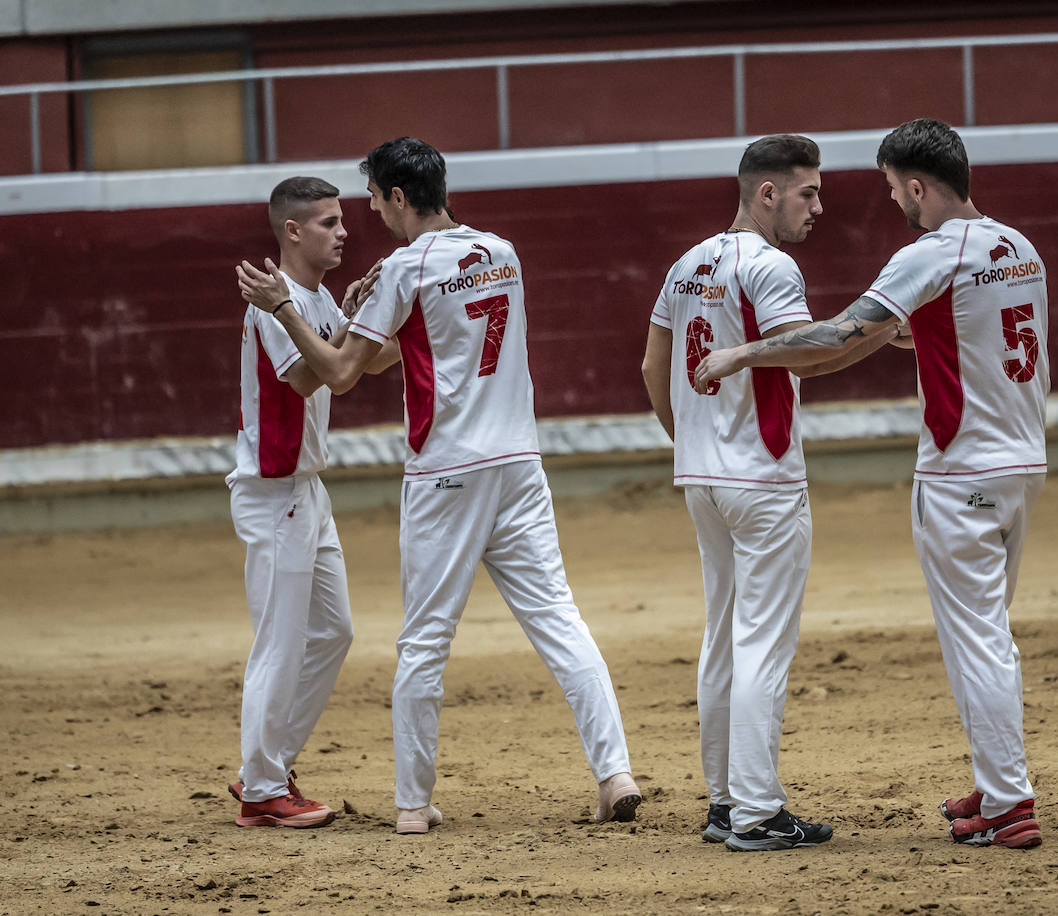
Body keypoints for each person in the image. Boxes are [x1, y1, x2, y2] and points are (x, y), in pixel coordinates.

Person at [236, 137, 641, 836]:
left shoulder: (405, 266)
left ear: (399, 196)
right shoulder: (503, 252)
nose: (367, 218)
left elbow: (338, 372)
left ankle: (412, 804)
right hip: (518, 462)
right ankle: (615, 775)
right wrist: (363, 313)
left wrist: (288, 309)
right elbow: (416, 344)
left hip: (446, 472)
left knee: (424, 642)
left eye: (371, 202)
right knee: (559, 619)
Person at [694, 118, 1050, 850]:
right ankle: (995, 780)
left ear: (918, 185)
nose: (896, 204)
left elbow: (839, 336)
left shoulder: (928, 254)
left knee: (978, 639)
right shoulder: (1018, 247)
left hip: (962, 472)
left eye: (894, 191)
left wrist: (744, 353)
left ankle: (1010, 803)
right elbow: (962, 332)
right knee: (992, 633)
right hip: (1023, 465)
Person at [641, 134, 893, 852]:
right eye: (809, 192)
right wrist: (879, 332)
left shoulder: (687, 263)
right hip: (763, 475)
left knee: (723, 635)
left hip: (706, 478)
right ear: (768, 193)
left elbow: (653, 364)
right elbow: (808, 357)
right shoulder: (771, 266)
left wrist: (690, 442)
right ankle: (754, 810)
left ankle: (726, 801)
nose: (820, 206)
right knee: (761, 643)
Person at [226, 176, 373, 828]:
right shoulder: (272, 305)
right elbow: (319, 372)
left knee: (333, 631)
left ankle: (268, 764)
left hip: (306, 489)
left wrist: (362, 318)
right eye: (328, 222)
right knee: (280, 644)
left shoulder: (309, 300)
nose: (342, 231)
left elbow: (359, 359)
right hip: (274, 490)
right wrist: (345, 331)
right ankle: (261, 790)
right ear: (292, 231)